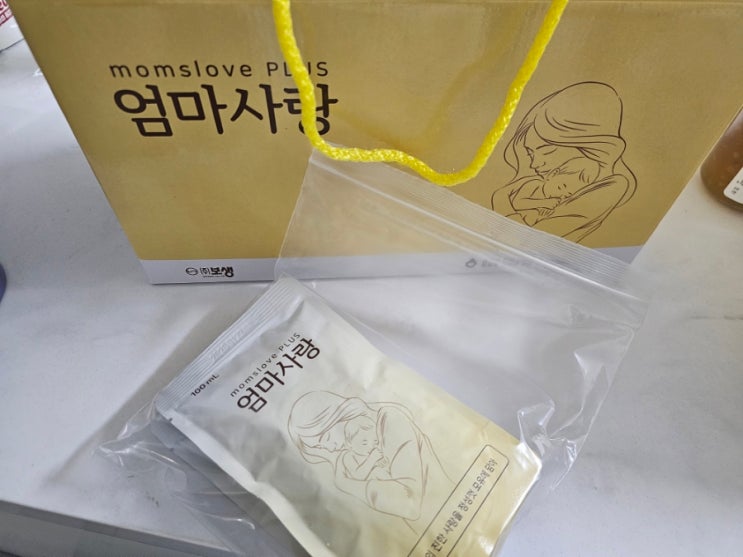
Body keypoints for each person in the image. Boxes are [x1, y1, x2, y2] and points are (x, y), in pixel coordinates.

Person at [491, 81, 637, 242]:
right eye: (530, 154)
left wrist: (502, 201)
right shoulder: (537, 183)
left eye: (547, 150)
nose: (535, 164)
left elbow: (525, 239)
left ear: (588, 145)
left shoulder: (612, 185)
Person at [287, 391, 452, 533]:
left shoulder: (388, 420)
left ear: (336, 415)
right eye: (320, 447)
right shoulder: (354, 454)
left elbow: (409, 502)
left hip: (450, 516)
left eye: (326, 438)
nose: (331, 448)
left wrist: (349, 484)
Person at [339, 415, 389, 481]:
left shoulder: (373, 455)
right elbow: (358, 476)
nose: (371, 446)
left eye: (375, 442)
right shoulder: (348, 456)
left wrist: (382, 463)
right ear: (349, 443)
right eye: (364, 443)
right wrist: (372, 459)